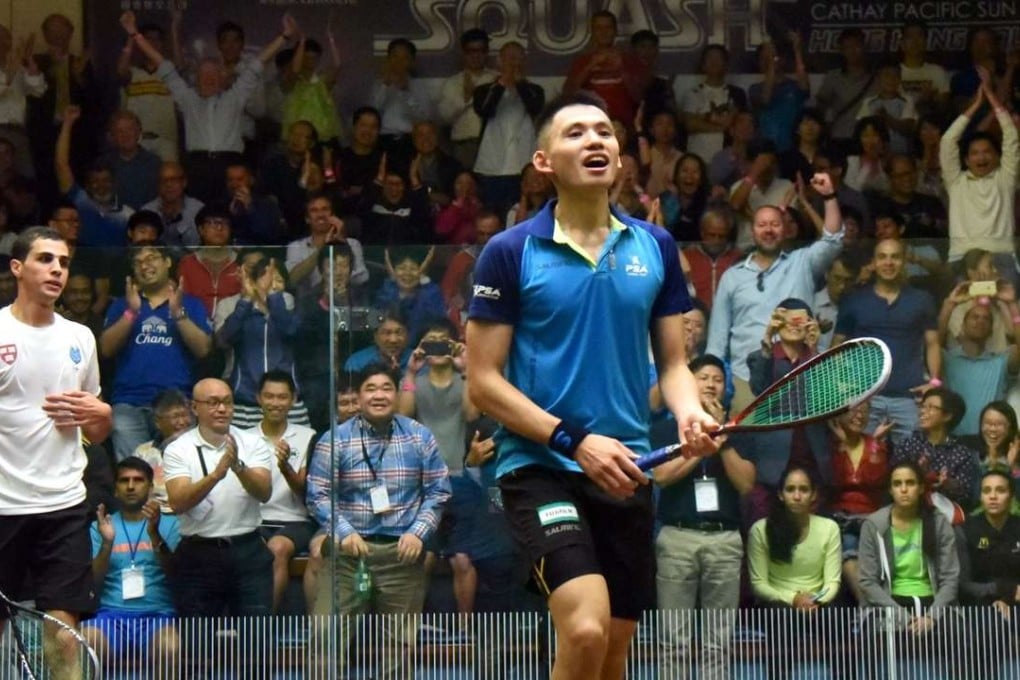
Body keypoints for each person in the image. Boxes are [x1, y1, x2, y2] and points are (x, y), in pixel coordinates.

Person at [466, 92, 719, 680]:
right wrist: (575, 441)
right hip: (539, 465)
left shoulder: (654, 246)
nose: (595, 141)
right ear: (543, 161)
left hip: (627, 469)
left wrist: (688, 413)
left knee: (612, 653)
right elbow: (482, 383)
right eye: (575, 133)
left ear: (621, 157)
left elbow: (674, 364)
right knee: (584, 627)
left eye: (604, 132)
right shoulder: (509, 252)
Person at [0, 226, 112, 677]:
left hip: (63, 505)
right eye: (45, 259)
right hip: (3, 505)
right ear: (17, 268)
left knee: (63, 639)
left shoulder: (81, 338)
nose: (57, 270)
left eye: (63, 262)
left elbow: (99, 429)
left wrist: (100, 412)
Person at [306, 363, 451, 679]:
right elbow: (318, 495)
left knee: (399, 648)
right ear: (357, 398)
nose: (379, 395)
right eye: (370, 389)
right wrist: (343, 532)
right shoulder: (336, 439)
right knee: (324, 635)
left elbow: (439, 491)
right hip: (348, 555)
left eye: (386, 388)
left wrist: (418, 533)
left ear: (397, 394)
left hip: (402, 553)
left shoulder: (419, 435)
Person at [707, 172, 844, 414]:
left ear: (784, 230)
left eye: (775, 224)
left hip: (799, 376)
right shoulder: (732, 276)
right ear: (753, 230)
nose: (768, 230)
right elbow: (717, 341)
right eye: (762, 225)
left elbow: (833, 241)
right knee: (746, 450)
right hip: (744, 380)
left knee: (797, 450)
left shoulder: (803, 263)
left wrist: (829, 196)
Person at [654, 355, 754, 680]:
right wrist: (700, 446)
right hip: (677, 537)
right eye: (703, 377)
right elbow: (661, 476)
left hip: (724, 539)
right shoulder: (667, 428)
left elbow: (746, 483)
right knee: (674, 640)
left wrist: (722, 441)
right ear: (688, 384)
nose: (711, 384)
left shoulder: (738, 431)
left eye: (717, 379)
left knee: (719, 641)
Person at [163, 378, 274, 617]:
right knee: (198, 641)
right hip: (198, 554)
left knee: (256, 640)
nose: (222, 409)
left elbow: (264, 492)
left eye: (227, 402)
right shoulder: (178, 448)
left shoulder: (253, 443)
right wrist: (216, 474)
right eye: (213, 403)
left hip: (248, 549)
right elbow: (178, 502)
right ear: (195, 408)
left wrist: (239, 467)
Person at [100, 245, 212, 460]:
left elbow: (203, 350)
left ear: (167, 262)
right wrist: (131, 313)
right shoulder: (122, 305)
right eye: (138, 262)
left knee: (181, 470)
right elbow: (105, 349)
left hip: (177, 403)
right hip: (129, 403)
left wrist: (178, 314)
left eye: (151, 258)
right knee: (134, 471)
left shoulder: (190, 303)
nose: (145, 265)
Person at [832, 238, 940, 443]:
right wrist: (842, 387)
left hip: (909, 398)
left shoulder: (922, 299)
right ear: (873, 262)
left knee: (912, 464)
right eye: (882, 257)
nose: (888, 262)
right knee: (862, 462)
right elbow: (837, 346)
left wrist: (934, 381)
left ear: (904, 261)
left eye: (895, 257)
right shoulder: (853, 299)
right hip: (864, 399)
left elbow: (933, 343)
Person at [857, 461, 960, 669]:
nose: (904, 489)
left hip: (933, 599)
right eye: (897, 484)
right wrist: (902, 616)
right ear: (890, 489)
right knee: (871, 637)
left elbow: (950, 577)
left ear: (921, 487)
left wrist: (931, 617)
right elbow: (868, 582)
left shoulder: (939, 522)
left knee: (961, 632)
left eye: (910, 483)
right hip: (889, 602)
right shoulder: (873, 525)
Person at [83, 457, 180, 668]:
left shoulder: (172, 524)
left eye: (138, 480)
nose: (130, 486)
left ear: (150, 487)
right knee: (86, 642)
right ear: (115, 489)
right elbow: (93, 582)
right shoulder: (101, 526)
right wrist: (107, 543)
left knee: (170, 647)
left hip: (158, 614)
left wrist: (155, 534)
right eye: (124, 480)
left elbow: (176, 575)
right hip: (109, 615)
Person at [249, 371, 316, 612]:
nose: (275, 403)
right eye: (269, 396)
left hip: (295, 520)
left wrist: (285, 467)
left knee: (277, 548)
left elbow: (307, 493)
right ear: (258, 398)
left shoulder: (308, 437)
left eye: (282, 397)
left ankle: (263, 627)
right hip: (253, 520)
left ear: (293, 399)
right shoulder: (244, 438)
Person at [940, 67, 1018, 273]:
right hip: (961, 258)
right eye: (974, 153)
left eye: (987, 152)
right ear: (966, 159)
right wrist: (975, 106)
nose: (981, 157)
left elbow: (1011, 136)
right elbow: (948, 142)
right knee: (957, 305)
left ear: (997, 156)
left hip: (1002, 258)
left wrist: (992, 97)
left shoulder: (1005, 177)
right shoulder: (956, 181)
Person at [748, 466, 841, 607]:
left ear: (814, 495)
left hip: (816, 602)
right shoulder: (760, 530)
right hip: (779, 603)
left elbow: (832, 582)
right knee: (779, 613)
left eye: (804, 490)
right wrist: (793, 599)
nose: (797, 497)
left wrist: (815, 601)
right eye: (790, 489)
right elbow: (759, 584)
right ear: (780, 495)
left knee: (834, 614)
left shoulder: (829, 528)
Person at [827, 400, 892, 602]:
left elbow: (875, 480)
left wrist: (873, 445)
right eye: (854, 410)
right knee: (848, 544)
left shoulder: (876, 445)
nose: (860, 416)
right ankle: (867, 605)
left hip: (870, 516)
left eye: (865, 411)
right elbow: (833, 482)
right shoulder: (828, 444)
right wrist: (842, 447)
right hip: (840, 515)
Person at [892, 387, 981, 510]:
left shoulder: (961, 453)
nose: (922, 411)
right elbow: (893, 481)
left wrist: (949, 484)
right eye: (922, 406)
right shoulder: (908, 444)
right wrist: (916, 472)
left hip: (944, 514)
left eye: (930, 407)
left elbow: (965, 496)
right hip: (908, 509)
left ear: (947, 415)